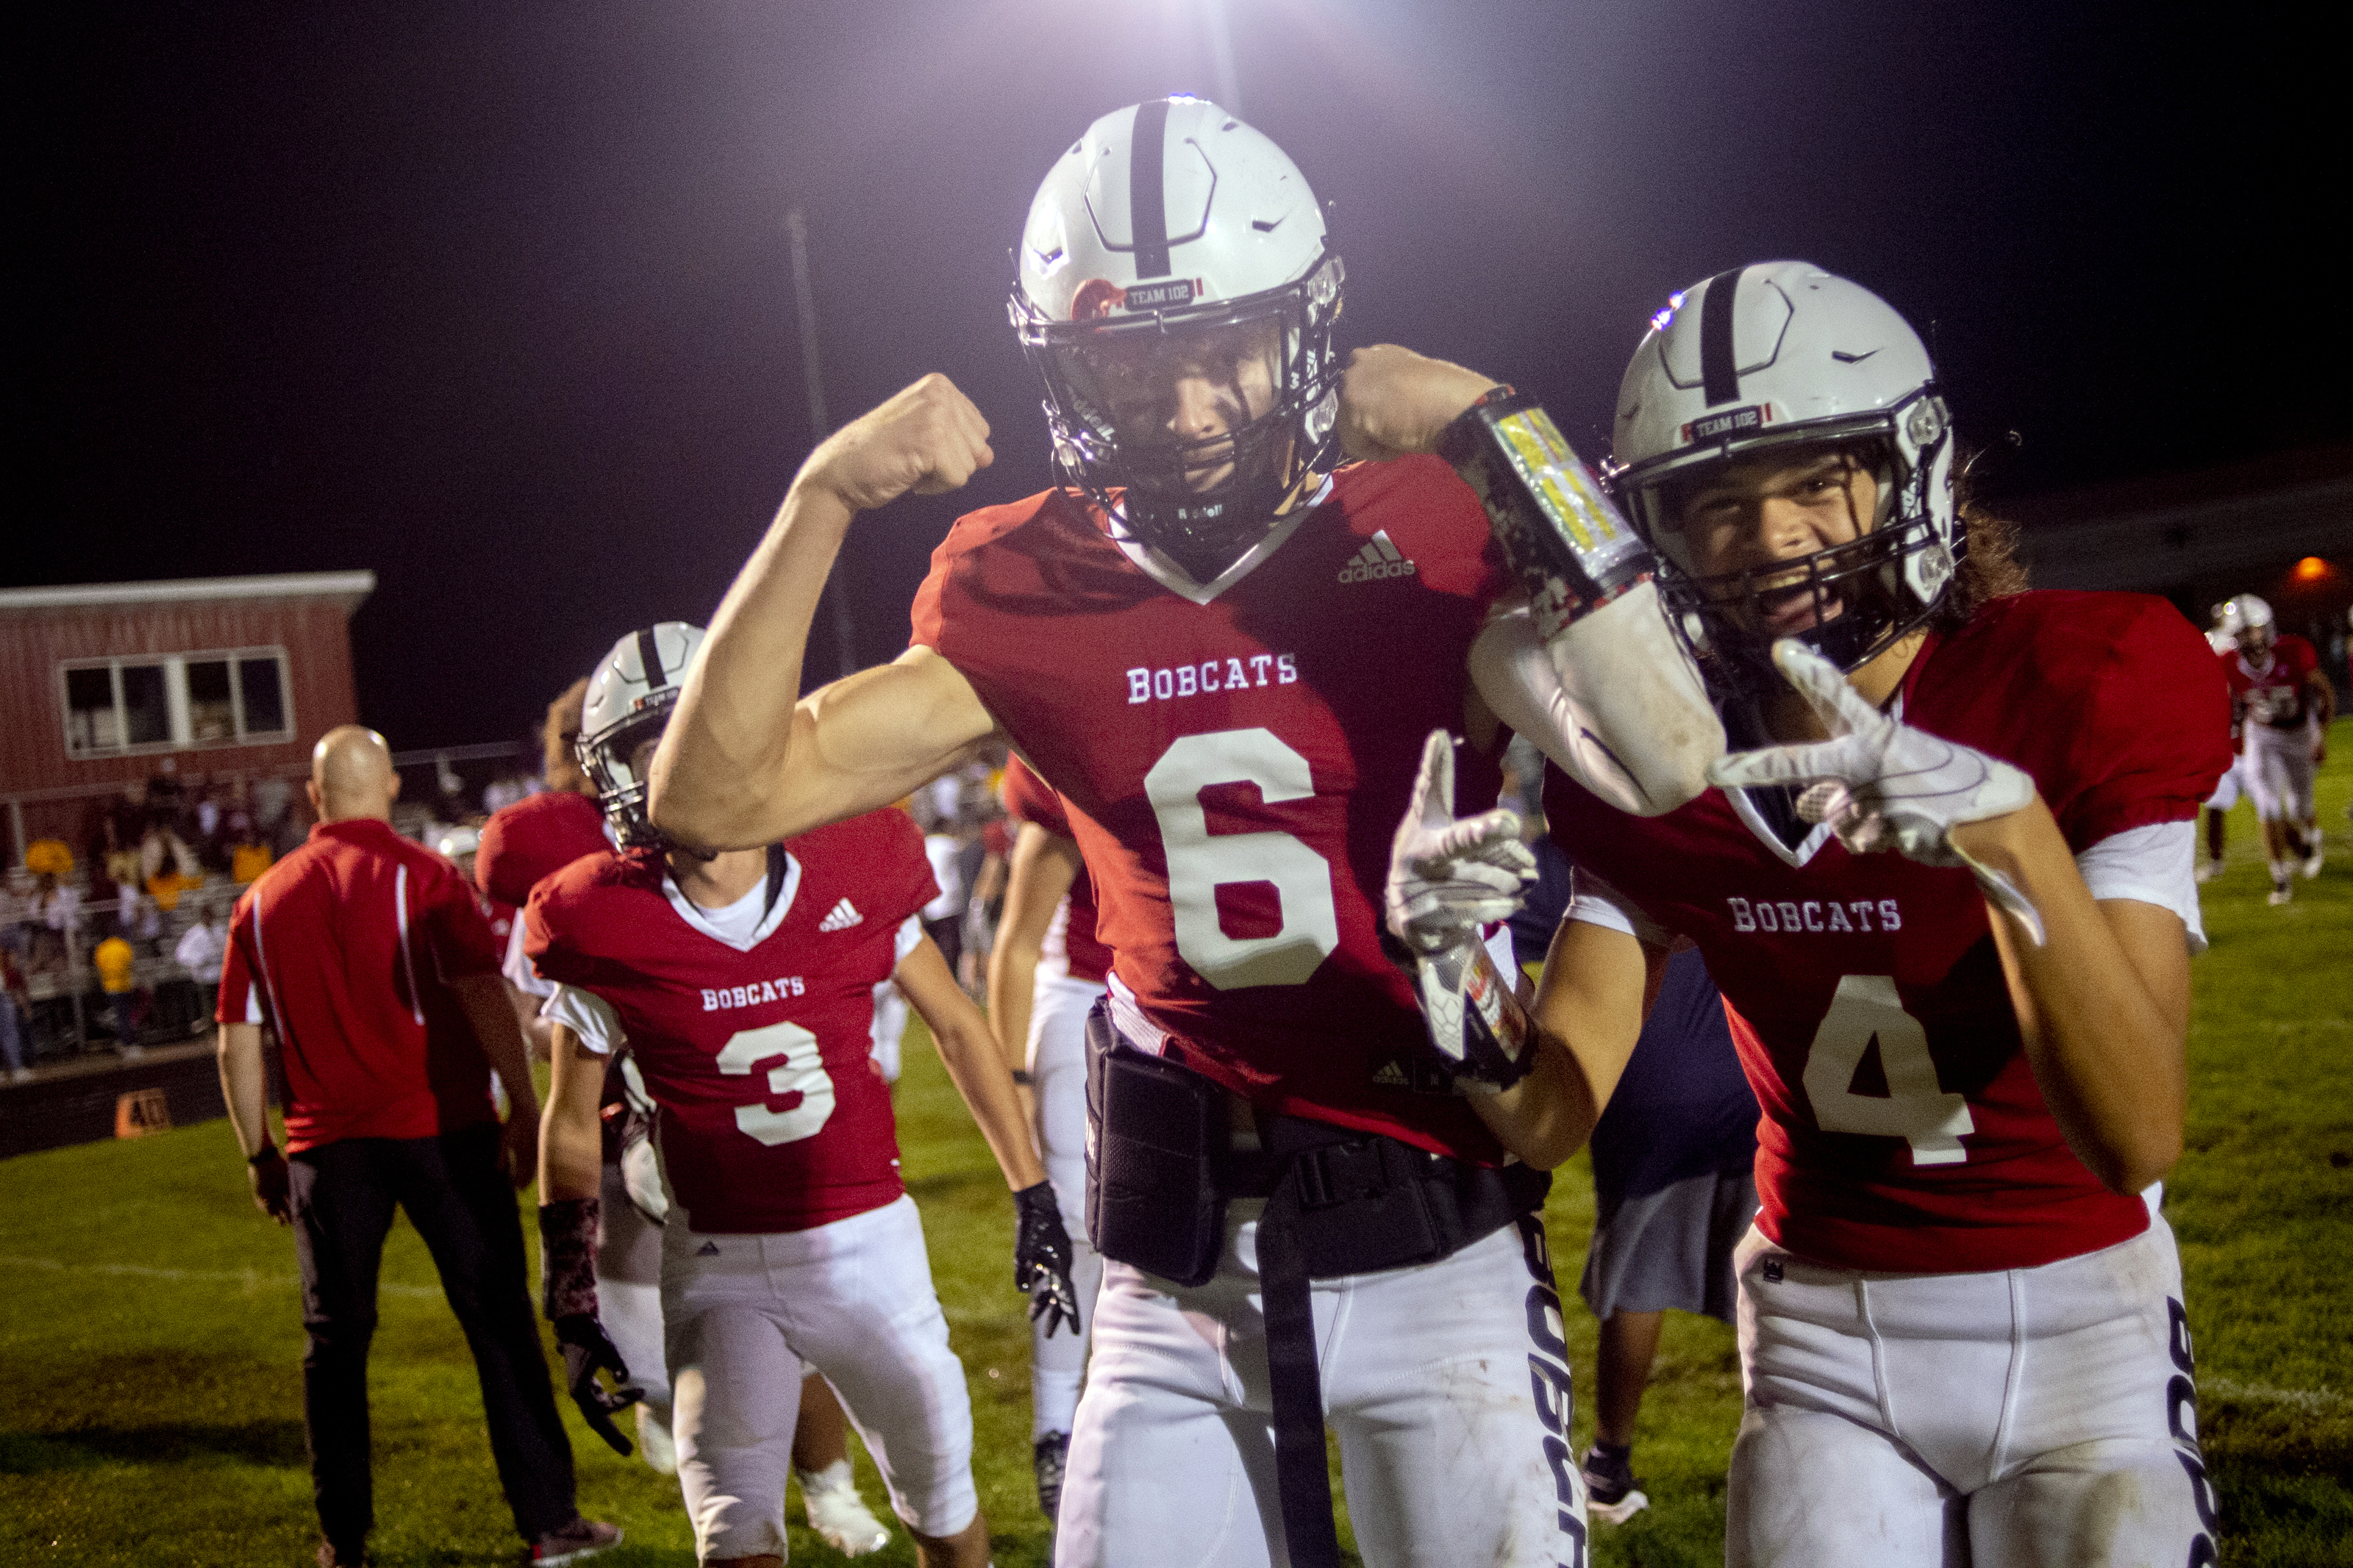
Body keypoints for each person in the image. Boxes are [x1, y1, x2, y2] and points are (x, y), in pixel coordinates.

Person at [648, 99, 1726, 1568]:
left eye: (1223, 345)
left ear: (1308, 331)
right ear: (1068, 366)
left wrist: (1502, 424)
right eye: (1134, 360)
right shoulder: (1017, 582)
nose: (1188, 401)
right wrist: (819, 495)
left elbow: (1669, 759)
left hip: (1434, 1225)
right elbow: (710, 799)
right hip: (1178, 1260)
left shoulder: (1420, 520)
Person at [1486, 262, 2228, 1564]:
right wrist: (1449, 995)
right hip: (1821, 1332)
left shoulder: (2078, 683)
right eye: (1716, 503)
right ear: (1655, 535)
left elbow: (2136, 1135)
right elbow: (1548, 1114)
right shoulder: (1655, 773)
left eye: (1818, 482)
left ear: (1913, 473)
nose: (1772, 539)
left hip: (2079, 1321)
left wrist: (2008, 836)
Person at [531, 624, 1077, 1568]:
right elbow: (570, 1119)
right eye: (649, 747)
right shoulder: (593, 914)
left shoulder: (854, 857)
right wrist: (570, 1292)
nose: (679, 768)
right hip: (712, 1261)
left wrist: (1032, 1194)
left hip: (867, 1245)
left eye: (696, 736)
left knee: (946, 1523)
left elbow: (954, 1024)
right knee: (733, 1535)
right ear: (612, 772)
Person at [212, 726, 618, 1568]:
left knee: (333, 1345)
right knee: (499, 1324)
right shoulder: (424, 876)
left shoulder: (261, 899)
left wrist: (256, 1150)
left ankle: (344, 1541)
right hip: (443, 1133)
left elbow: (235, 1040)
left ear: (315, 796)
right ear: (391, 786)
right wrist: (520, 1102)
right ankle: (548, 1523)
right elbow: (481, 995)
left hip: (327, 1149)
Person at [1572, 947, 1758, 1526]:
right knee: (1771, 1275)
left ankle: (1608, 1465)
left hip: (1649, 1069)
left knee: (1639, 1275)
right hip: (1756, 1071)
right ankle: (1793, 1450)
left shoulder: (1615, 855)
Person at [984, 755, 1113, 1533]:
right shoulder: (1070, 756)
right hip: (1082, 1002)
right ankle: (1056, 1429)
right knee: (1070, 1230)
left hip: (1178, 1003)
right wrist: (1016, 1082)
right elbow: (1017, 944)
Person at [2220, 593, 2333, 903]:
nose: (2250, 637)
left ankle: (2312, 838)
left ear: (2267, 627)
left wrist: (2319, 734)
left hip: (2298, 732)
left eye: (2254, 629)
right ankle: (2281, 877)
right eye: (2242, 632)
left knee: (2300, 806)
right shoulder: (2229, 663)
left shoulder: (2294, 651)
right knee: (2268, 805)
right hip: (2261, 734)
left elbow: (2324, 691)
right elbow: (2224, 703)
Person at [95, 926, 141, 1061]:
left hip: (110, 987)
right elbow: (131, 965)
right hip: (124, 986)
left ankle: (123, 1042)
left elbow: (100, 969)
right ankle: (127, 1043)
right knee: (125, 1017)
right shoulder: (123, 946)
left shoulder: (102, 949)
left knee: (120, 1017)